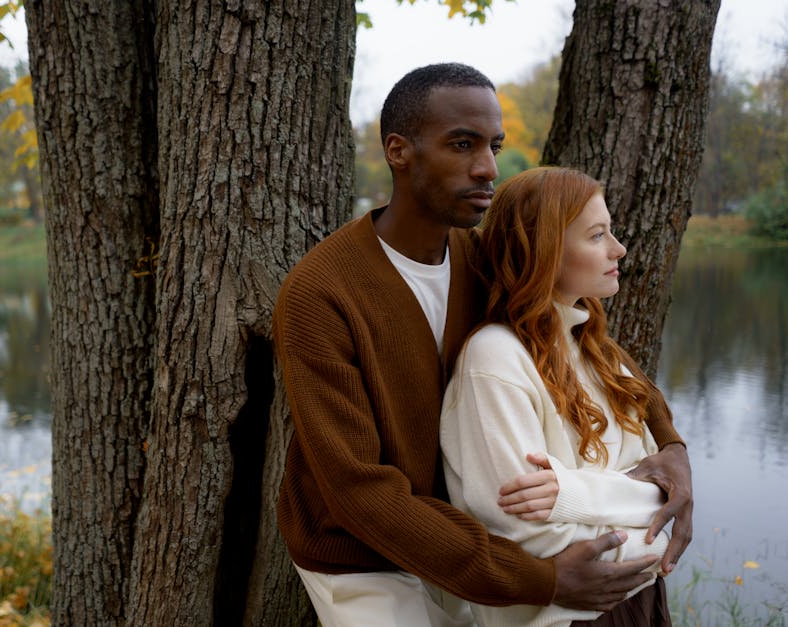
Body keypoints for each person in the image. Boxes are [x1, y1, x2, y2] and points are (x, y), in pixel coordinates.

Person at [272, 63, 692, 626]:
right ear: (399, 150)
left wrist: (671, 449)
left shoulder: (480, 261)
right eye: (463, 145)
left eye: (494, 146)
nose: (488, 168)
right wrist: (542, 579)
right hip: (362, 554)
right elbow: (359, 492)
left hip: (465, 525)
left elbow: (591, 344)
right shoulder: (320, 294)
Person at [440, 166, 676, 626]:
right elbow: (528, 533)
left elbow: (662, 488)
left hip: (640, 603)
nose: (619, 249)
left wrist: (572, 492)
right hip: (566, 617)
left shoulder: (597, 353)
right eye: (596, 236)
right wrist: (655, 540)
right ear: (545, 250)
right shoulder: (495, 361)